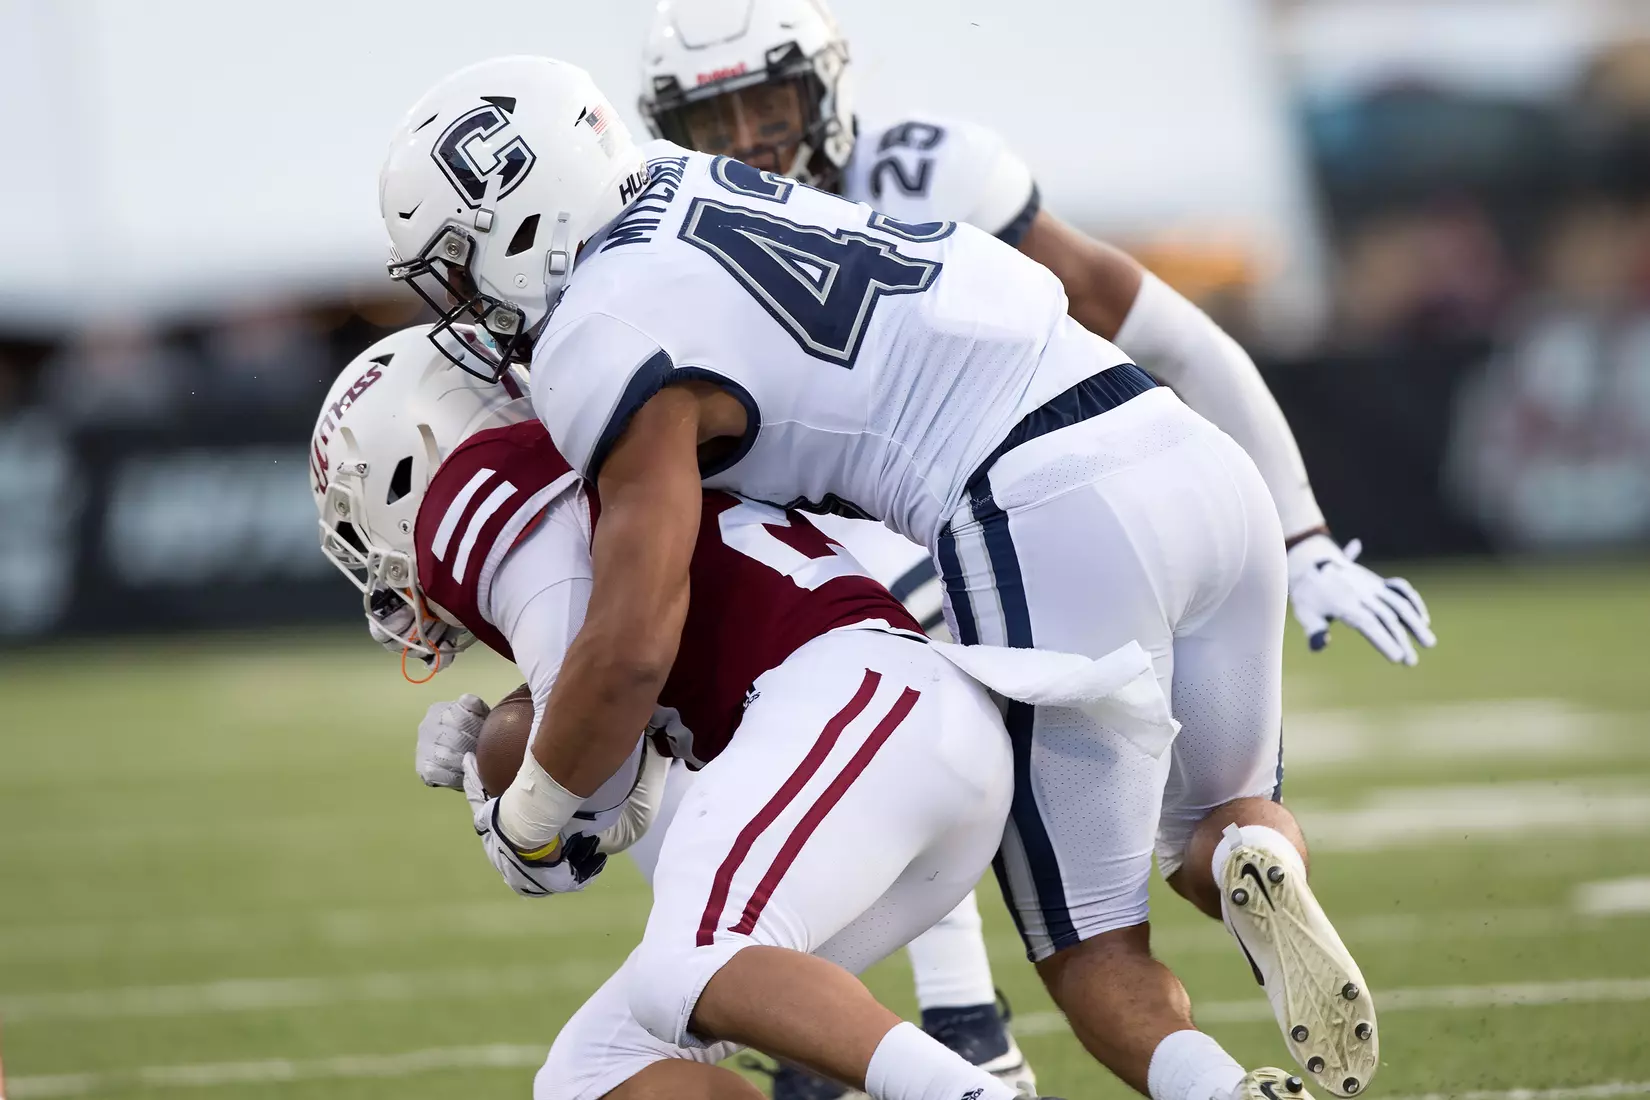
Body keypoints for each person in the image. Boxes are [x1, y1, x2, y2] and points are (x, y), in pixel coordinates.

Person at [377, 56, 1377, 1100]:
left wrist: (531, 811)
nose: (461, 302)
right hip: (1186, 449)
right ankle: (1248, 868)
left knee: (1088, 951)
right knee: (1212, 825)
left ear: (521, 221)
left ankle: (1213, 1092)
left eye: (457, 263)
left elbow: (633, 641)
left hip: (1036, 497)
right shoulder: (698, 185)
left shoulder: (598, 331)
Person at [311, 326, 1048, 1099]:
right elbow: (617, 722)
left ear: (403, 462)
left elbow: (592, 743)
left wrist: (517, 820)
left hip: (861, 702)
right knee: (591, 1076)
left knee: (684, 967)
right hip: (889, 729)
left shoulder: (478, 488)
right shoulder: (591, 459)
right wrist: (510, 761)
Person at [635, 0, 1434, 673]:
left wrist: (1304, 538)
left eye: (768, 106)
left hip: (986, 506)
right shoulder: (654, 261)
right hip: (803, 540)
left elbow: (1177, 337)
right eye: (711, 118)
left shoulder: (925, 177)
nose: (744, 142)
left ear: (824, 91)